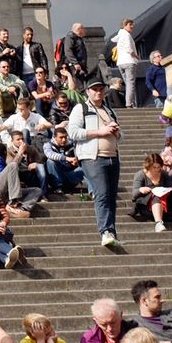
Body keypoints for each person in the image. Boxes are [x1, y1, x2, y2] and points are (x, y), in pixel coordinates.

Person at [66, 79, 123, 253]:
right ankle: (105, 231)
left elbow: (121, 136)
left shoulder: (109, 110)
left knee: (111, 196)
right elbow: (73, 132)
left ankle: (111, 232)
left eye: (101, 89)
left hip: (112, 157)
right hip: (92, 157)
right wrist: (100, 132)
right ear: (88, 92)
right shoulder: (81, 108)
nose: (98, 92)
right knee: (102, 193)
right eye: (95, 89)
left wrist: (117, 132)